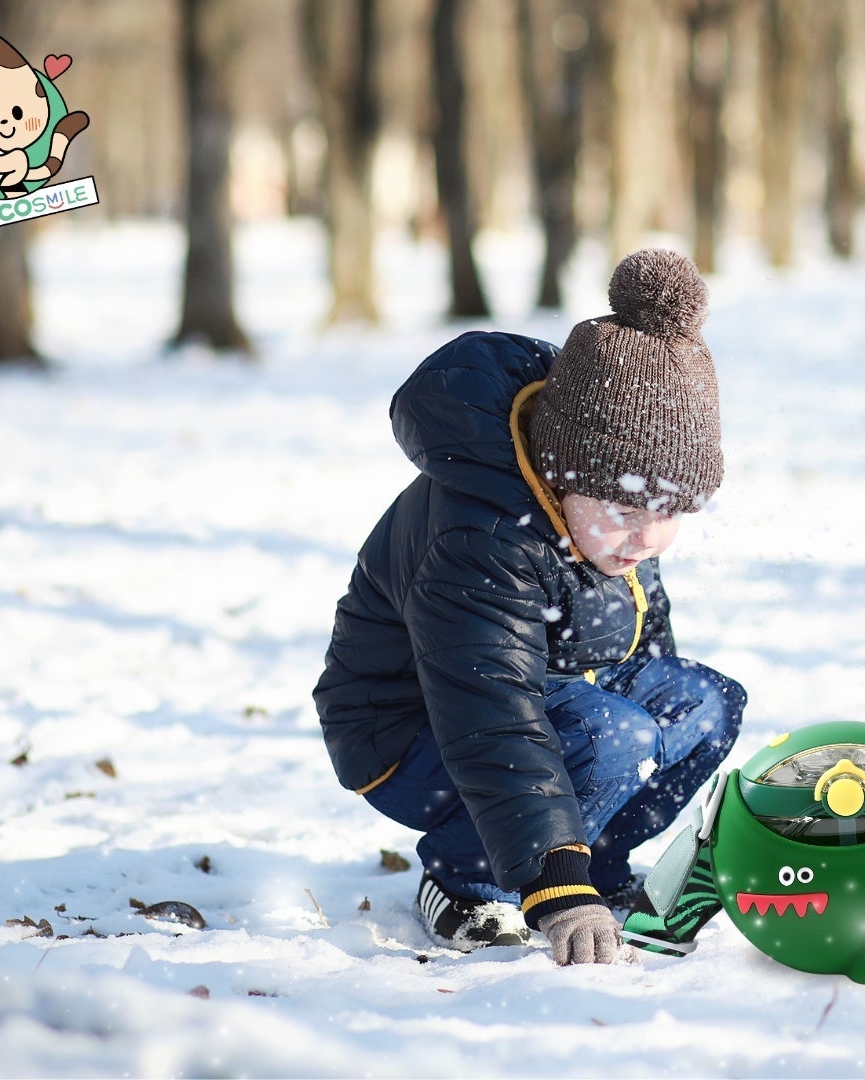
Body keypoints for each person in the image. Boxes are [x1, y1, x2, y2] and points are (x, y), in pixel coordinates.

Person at [313, 249, 745, 963]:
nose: (647, 536)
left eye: (671, 511)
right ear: (560, 471)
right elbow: (493, 716)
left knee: (700, 704)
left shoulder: (609, 528)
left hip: (548, 703)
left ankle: (596, 865)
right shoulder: (480, 535)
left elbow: (641, 649)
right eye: (624, 507)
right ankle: (466, 882)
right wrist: (555, 883)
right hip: (415, 733)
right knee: (617, 736)